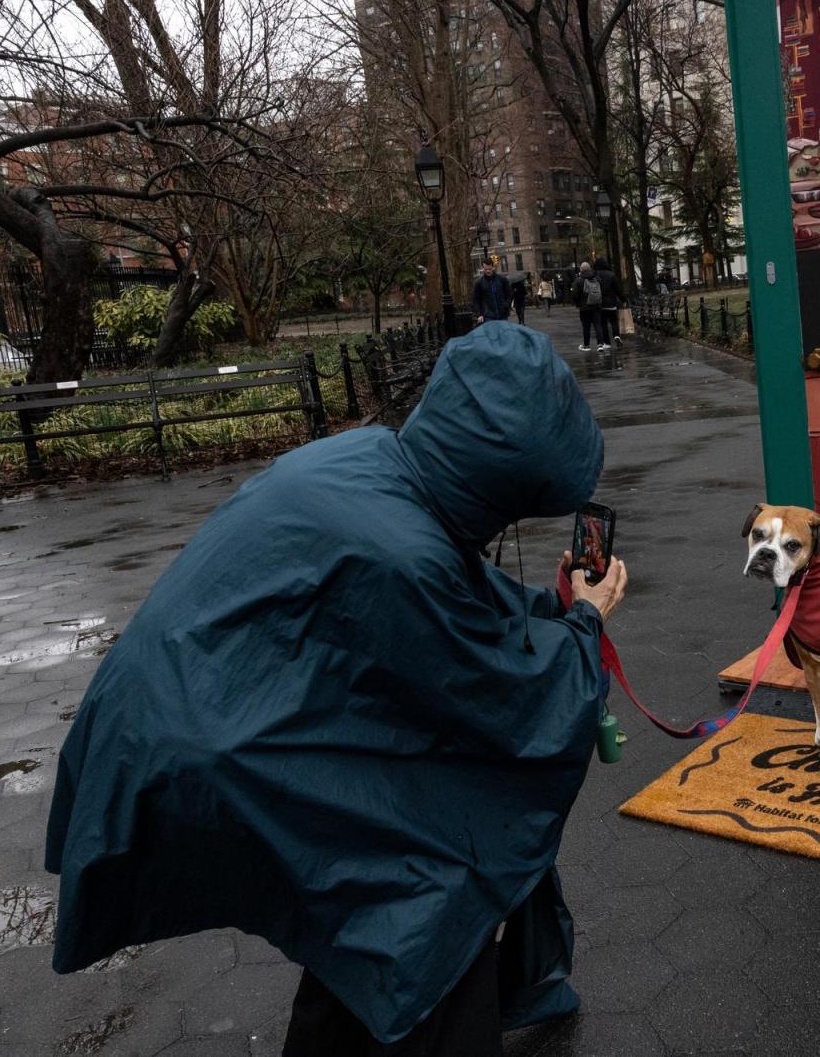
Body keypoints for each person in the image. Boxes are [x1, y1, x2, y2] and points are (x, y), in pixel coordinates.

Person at [43, 321, 629, 1055]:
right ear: (499, 488)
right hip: (212, 749)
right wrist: (585, 626)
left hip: (180, 711)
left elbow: (452, 598)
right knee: (423, 891)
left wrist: (551, 610)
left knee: (387, 891)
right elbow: (508, 701)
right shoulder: (405, 554)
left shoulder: (368, 461)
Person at [572, 261, 605, 351]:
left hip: (584, 307)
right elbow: (602, 289)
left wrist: (577, 304)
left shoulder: (578, 280)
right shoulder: (596, 278)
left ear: (581, 270)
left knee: (586, 327)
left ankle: (586, 345)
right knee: (598, 325)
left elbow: (575, 294)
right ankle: (600, 344)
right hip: (596, 305)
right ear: (590, 268)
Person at [472, 257, 511, 323]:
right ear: (482, 268)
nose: (488, 271)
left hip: (502, 314)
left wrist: (506, 305)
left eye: (489, 269)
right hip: (488, 316)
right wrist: (479, 314)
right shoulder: (479, 282)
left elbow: (509, 294)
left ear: (493, 267)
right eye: (485, 269)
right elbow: (476, 299)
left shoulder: (502, 279)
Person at [594, 262, 622, 349]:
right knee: (614, 321)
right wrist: (623, 299)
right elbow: (618, 289)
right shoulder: (612, 275)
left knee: (603, 324)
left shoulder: (595, 276)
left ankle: (607, 343)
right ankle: (616, 335)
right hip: (611, 302)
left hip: (600, 303)